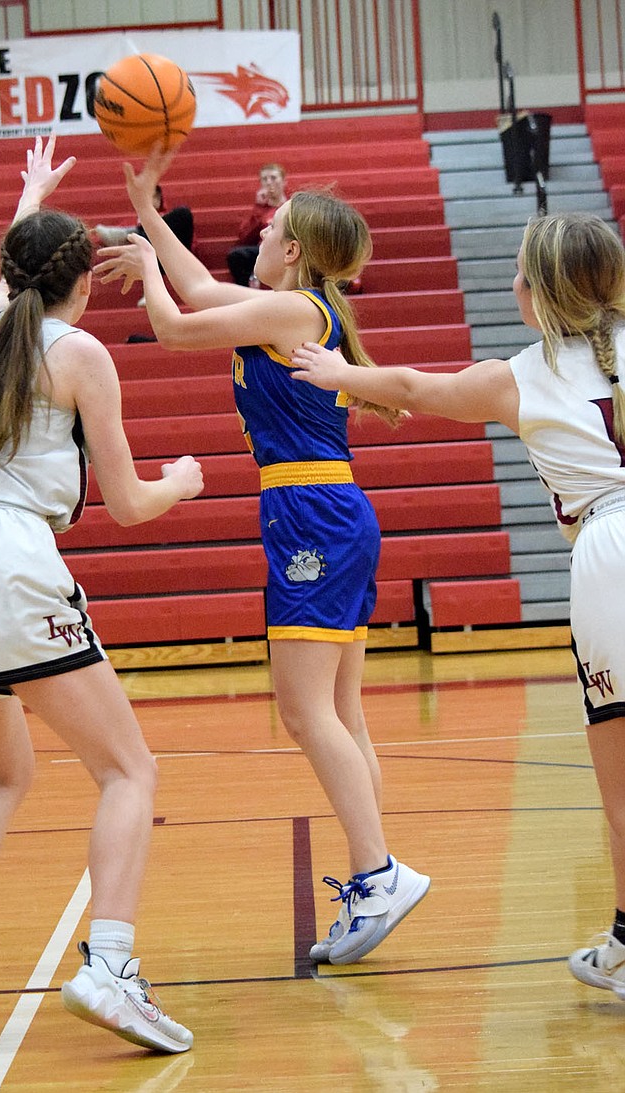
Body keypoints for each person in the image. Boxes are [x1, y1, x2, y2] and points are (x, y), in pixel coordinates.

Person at [0, 135, 202, 1054]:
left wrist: (30, 197)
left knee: (4, 769)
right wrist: (183, 479)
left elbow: (13, 273)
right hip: (5, 555)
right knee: (128, 768)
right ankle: (109, 964)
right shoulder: (82, 353)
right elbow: (125, 502)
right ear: (82, 283)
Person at [94, 147, 430, 966]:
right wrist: (147, 215)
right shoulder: (302, 309)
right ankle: (374, 872)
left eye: (273, 226)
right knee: (341, 712)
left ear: (295, 250)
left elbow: (175, 327)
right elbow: (203, 294)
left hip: (312, 511)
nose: (263, 232)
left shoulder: (294, 313)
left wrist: (146, 260)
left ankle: (378, 871)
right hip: (328, 508)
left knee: (304, 710)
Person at [289, 210, 625, 998]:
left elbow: (413, 388)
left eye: (518, 269)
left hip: (612, 555)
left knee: (620, 781)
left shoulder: (526, 374)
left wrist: (339, 375)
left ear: (540, 294)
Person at [227, 163, 287, 286]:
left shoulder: (291, 205)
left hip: (286, 248)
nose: (269, 182)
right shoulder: (260, 210)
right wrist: (258, 208)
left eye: (273, 178)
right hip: (265, 249)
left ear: (284, 181)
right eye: (264, 179)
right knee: (236, 255)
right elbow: (244, 239)